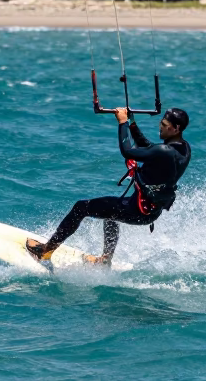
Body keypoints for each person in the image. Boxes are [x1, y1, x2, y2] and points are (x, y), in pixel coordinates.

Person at [26, 106, 191, 265]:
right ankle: (105, 260)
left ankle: (45, 251)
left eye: (164, 125)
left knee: (81, 208)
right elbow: (149, 148)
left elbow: (128, 151)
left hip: (138, 210)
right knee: (111, 213)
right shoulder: (183, 149)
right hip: (151, 211)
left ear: (176, 128)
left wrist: (122, 123)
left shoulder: (164, 151)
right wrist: (131, 123)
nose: (160, 127)